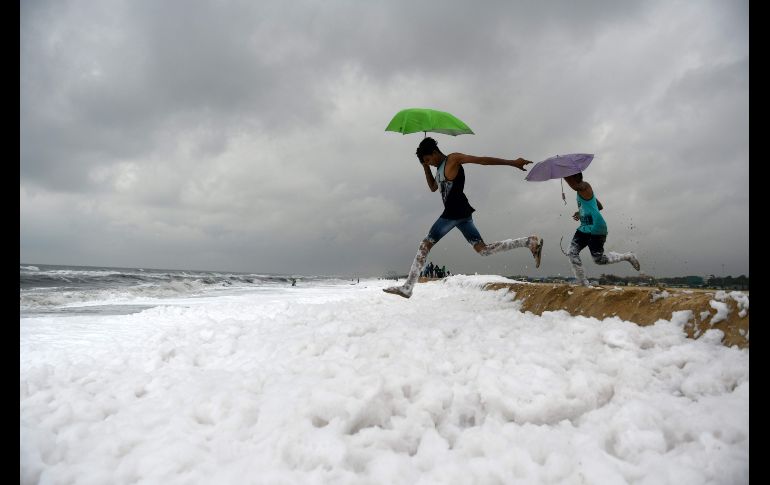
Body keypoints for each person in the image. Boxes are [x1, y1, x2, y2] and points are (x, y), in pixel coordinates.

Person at [384, 137, 543, 298]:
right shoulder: (438, 169)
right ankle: (529, 241)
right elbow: (433, 187)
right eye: (426, 162)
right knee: (483, 250)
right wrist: (425, 167)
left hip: (454, 212)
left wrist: (512, 162)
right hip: (461, 214)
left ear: (434, 152)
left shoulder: (453, 159)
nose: (429, 163)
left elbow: (482, 161)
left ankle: (408, 287)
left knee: (425, 245)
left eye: (428, 159)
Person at [563, 171, 640, 286]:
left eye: (571, 178)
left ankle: (627, 256)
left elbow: (575, 186)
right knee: (572, 252)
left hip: (596, 227)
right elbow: (599, 206)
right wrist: (581, 212)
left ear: (577, 177)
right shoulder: (585, 192)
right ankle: (583, 282)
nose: (570, 182)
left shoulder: (585, 185)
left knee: (598, 259)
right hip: (584, 228)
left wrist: (562, 174)